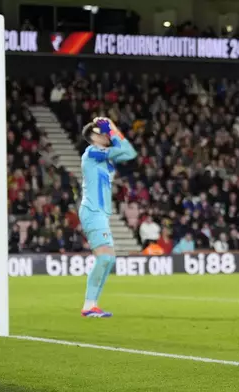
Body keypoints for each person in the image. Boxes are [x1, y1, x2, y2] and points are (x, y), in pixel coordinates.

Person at [79, 117, 137, 317]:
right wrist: (112, 131)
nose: (105, 135)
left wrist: (112, 125)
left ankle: (92, 304)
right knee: (104, 257)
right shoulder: (92, 153)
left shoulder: (104, 158)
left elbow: (130, 152)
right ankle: (88, 305)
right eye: (102, 132)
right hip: (92, 211)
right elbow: (123, 149)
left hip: (101, 213)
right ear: (94, 136)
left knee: (109, 259)